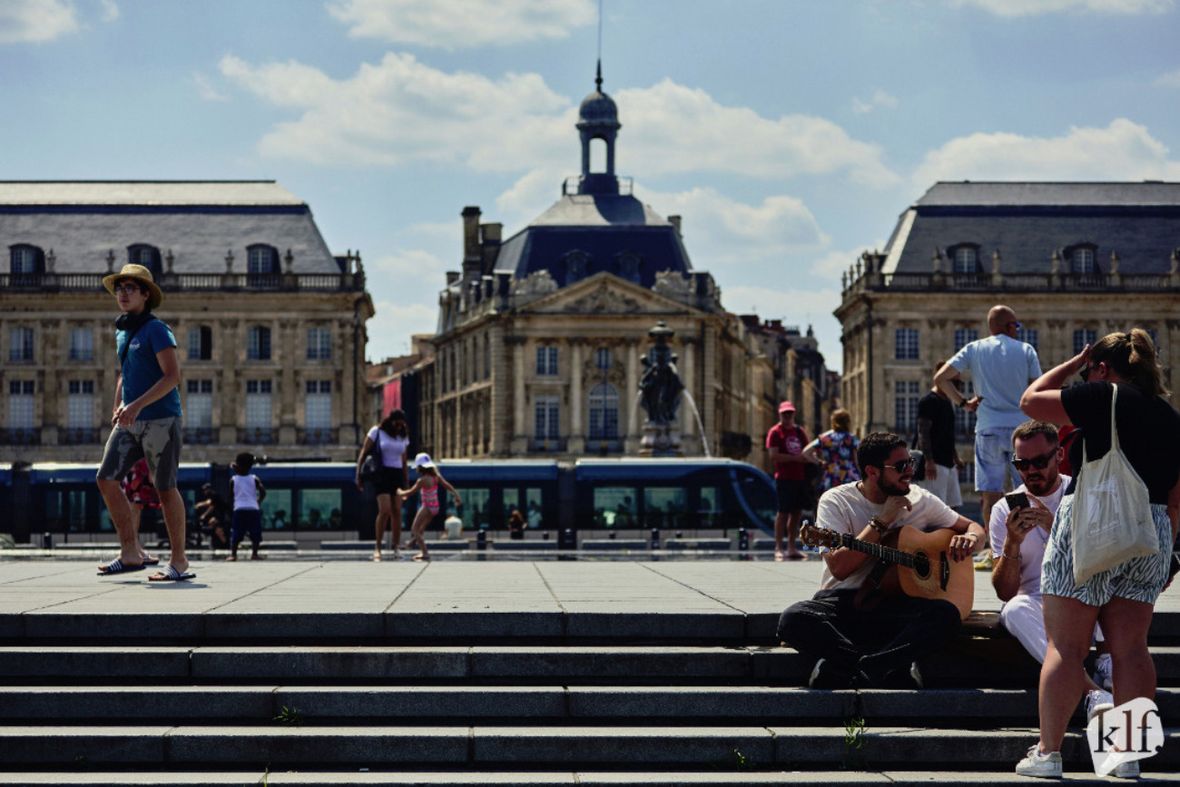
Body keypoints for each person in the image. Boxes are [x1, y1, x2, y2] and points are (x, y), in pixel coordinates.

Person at [1015, 329, 1180, 779]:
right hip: (1151, 533)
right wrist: (1168, 555)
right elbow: (1177, 498)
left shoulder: (1101, 395)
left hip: (1091, 524)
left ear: (1103, 369)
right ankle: (1125, 757)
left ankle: (1048, 755)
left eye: (1091, 369)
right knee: (1131, 650)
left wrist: (1073, 364)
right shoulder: (1169, 416)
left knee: (1066, 647)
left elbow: (1031, 400)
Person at [778, 432, 985, 689]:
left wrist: (970, 539)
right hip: (844, 602)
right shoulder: (836, 501)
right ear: (872, 471)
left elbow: (973, 527)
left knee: (947, 615)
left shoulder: (920, 498)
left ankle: (851, 666)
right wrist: (882, 521)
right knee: (793, 619)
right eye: (900, 467)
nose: (909, 471)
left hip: (898, 603)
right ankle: (887, 665)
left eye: (911, 463)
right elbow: (840, 568)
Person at [988, 420, 1112, 723]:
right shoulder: (1004, 510)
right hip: (1037, 603)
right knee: (1013, 609)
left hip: (1085, 597)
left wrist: (1054, 524)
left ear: (1058, 455)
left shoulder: (1083, 492)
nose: (1031, 470)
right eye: (1022, 463)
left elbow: (1103, 560)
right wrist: (1012, 545)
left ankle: (1107, 663)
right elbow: (1005, 591)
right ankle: (1090, 690)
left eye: (1040, 461)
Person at [95, 263, 193, 582]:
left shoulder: (157, 330)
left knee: (165, 487)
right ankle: (130, 553)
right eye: (119, 288)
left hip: (161, 420)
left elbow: (172, 377)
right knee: (106, 479)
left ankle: (179, 561)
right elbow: (125, 374)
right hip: (130, 420)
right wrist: (118, 405)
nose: (122, 293)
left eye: (130, 288)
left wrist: (135, 405)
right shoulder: (123, 331)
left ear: (145, 294)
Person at [935, 305, 1042, 553]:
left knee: (990, 494)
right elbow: (1037, 389)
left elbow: (940, 378)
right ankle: (1025, 546)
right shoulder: (1026, 349)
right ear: (1007, 326)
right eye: (1015, 325)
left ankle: (994, 549)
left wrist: (964, 402)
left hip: (988, 428)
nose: (1017, 330)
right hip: (1021, 431)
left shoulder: (975, 348)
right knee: (1022, 490)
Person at [766, 401, 818, 561]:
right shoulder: (775, 432)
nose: (788, 417)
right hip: (784, 478)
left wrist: (816, 461)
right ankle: (778, 548)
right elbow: (773, 455)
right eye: (785, 414)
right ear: (780, 414)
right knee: (782, 513)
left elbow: (807, 451)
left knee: (796, 514)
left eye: (790, 414)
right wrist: (796, 458)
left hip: (800, 478)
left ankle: (791, 547)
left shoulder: (799, 432)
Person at [355, 409, 410, 561]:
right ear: (390, 421)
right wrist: (358, 475)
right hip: (382, 473)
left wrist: (406, 482)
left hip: (397, 474)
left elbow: (404, 461)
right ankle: (378, 547)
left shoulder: (403, 435)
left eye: (401, 424)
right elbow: (363, 453)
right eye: (397, 424)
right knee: (385, 510)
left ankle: (396, 547)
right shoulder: (377, 431)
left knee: (397, 511)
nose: (399, 427)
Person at [397, 453, 462, 562]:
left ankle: (425, 553)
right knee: (421, 529)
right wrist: (456, 495)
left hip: (427, 506)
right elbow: (447, 485)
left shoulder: (422, 480)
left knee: (415, 529)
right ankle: (411, 544)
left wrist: (399, 492)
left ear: (420, 467)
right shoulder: (436, 477)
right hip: (435, 507)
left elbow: (409, 493)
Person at [914, 380, 963, 508]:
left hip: (948, 462)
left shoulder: (948, 402)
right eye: (955, 383)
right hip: (934, 464)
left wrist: (956, 458)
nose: (958, 387)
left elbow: (948, 434)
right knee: (935, 507)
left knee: (954, 506)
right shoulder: (928, 401)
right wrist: (929, 461)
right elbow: (923, 432)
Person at [802, 408, 860, 494]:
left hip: (831, 476)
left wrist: (820, 463)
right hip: (849, 476)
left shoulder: (826, 438)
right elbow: (858, 458)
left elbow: (805, 452)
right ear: (848, 422)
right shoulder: (851, 438)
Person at [118, 458, 161, 566]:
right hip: (134, 461)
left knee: (136, 505)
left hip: (138, 461)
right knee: (133, 504)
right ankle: (133, 548)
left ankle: (134, 547)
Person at [227, 452, 266, 562]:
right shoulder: (254, 478)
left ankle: (233, 555)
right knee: (255, 532)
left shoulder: (233, 480)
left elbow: (230, 496)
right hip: (253, 508)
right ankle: (254, 554)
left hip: (239, 509)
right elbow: (263, 491)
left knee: (237, 532)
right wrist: (258, 501)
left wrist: (232, 505)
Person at [194, 483, 230, 549]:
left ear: (209, 490)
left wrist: (204, 515)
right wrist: (199, 504)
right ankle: (218, 542)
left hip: (222, 516)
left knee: (216, 527)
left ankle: (226, 545)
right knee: (215, 528)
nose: (204, 492)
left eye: (205, 490)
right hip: (219, 515)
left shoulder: (214, 495)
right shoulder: (212, 496)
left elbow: (211, 506)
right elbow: (208, 502)